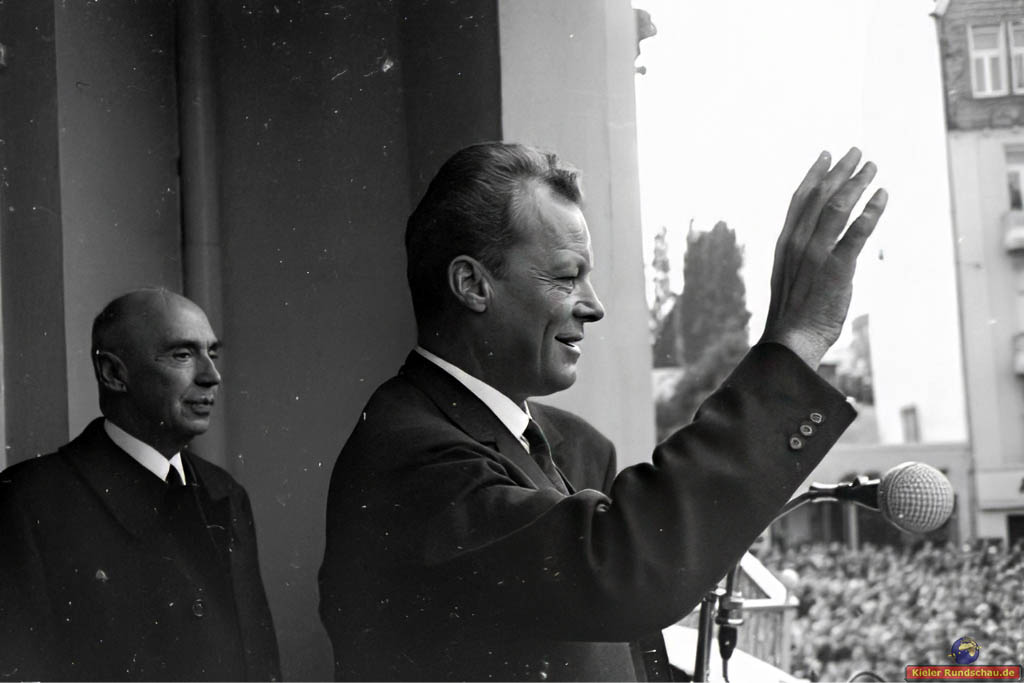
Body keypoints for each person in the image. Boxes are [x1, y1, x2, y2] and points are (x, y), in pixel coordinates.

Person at [318, 142, 888, 681]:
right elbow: (621, 571)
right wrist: (794, 346)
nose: (594, 306)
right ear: (472, 284)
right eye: (567, 277)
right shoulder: (404, 454)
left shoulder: (576, 446)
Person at [0, 289, 280, 681]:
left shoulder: (226, 493)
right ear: (113, 373)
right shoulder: (27, 500)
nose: (211, 376)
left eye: (211, 354)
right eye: (182, 355)